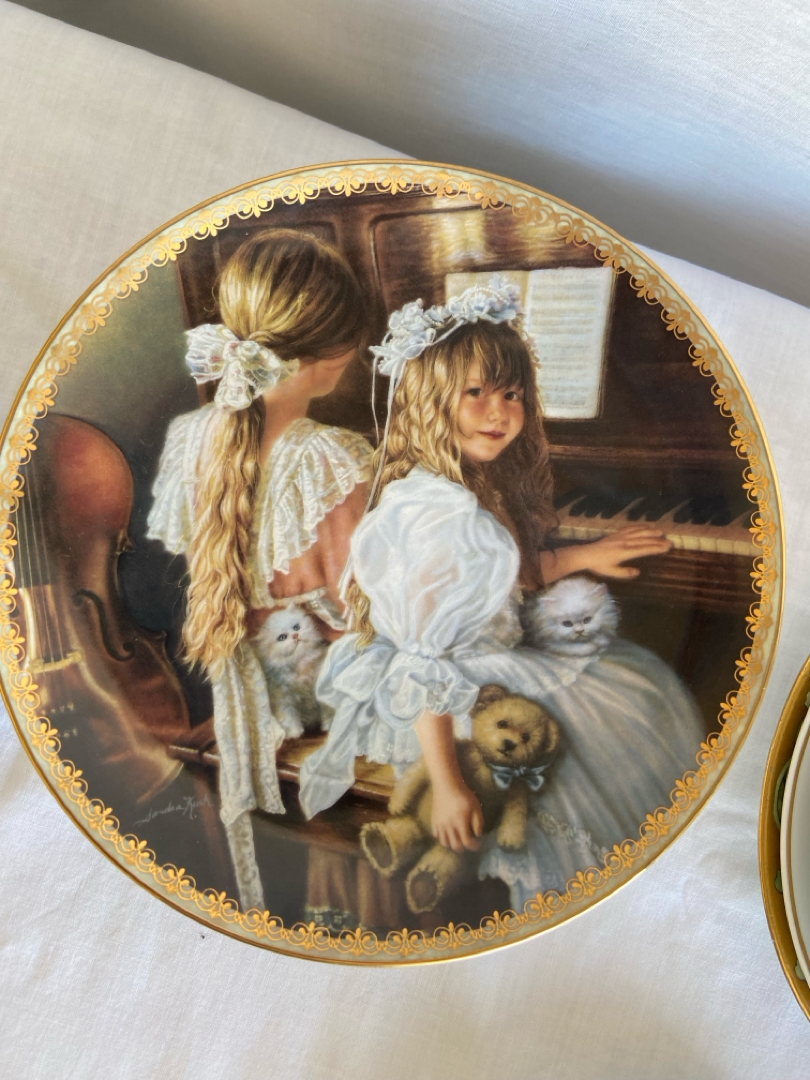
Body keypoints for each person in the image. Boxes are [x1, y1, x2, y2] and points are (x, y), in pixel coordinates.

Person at [298, 276, 705, 912]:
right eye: (477, 393)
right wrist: (448, 783)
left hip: (483, 664)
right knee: (625, 719)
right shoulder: (437, 512)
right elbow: (424, 665)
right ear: (429, 401)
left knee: (639, 701)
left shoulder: (468, 484)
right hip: (452, 699)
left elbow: (508, 575)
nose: (500, 412)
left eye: (513, 394)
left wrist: (585, 555)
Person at [147, 228, 371, 910]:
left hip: (236, 678)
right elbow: (366, 610)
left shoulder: (191, 436)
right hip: (317, 698)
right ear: (333, 359)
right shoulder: (329, 457)